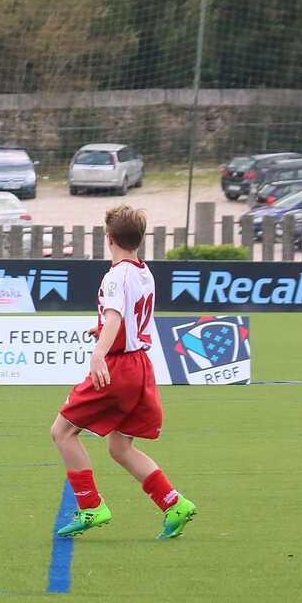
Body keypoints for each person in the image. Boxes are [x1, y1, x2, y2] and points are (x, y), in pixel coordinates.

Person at [51, 204, 197, 540]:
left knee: (62, 431)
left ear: (109, 237)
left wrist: (98, 354)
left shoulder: (115, 276)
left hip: (119, 367)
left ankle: (90, 506)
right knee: (119, 447)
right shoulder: (144, 272)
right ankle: (174, 503)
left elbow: (116, 317)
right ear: (139, 239)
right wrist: (103, 330)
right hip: (141, 365)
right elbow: (125, 318)